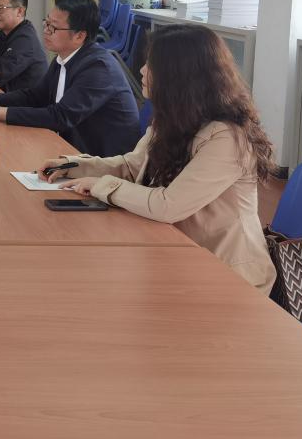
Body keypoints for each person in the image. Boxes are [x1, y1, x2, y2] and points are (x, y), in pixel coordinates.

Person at [38, 25, 277, 294]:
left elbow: (168, 206)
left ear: (179, 74)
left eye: (151, 64)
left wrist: (100, 185)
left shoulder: (228, 137)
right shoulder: (175, 118)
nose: (142, 70)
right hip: (176, 253)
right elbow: (132, 167)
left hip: (228, 276)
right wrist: (76, 166)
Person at [0, 0, 139, 157]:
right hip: (73, 149)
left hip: (105, 163)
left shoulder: (99, 68)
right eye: (46, 23)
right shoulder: (63, 57)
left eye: (53, 27)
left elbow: (61, 116)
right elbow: (36, 96)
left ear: (79, 35)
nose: (46, 31)